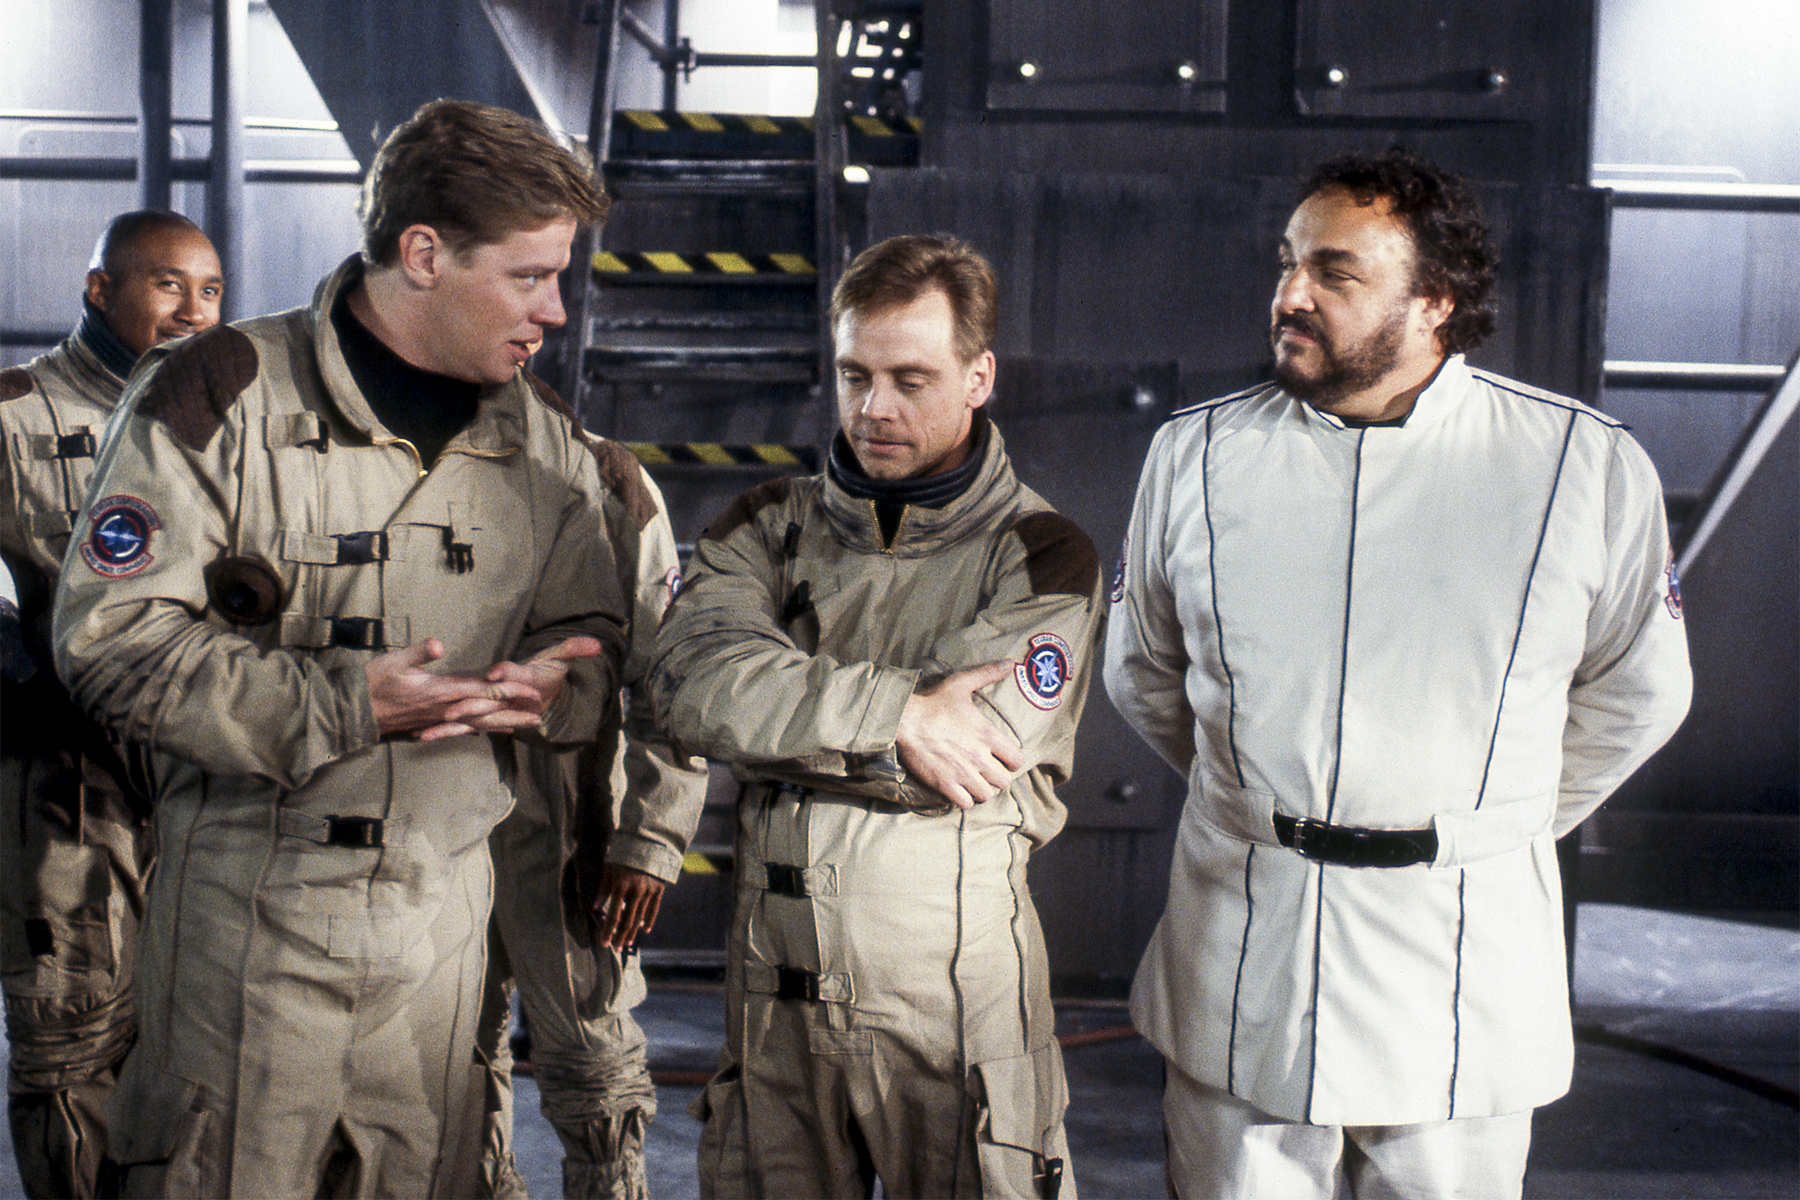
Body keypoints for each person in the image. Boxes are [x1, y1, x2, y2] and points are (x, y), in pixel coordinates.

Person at [52, 100, 634, 1197]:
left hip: (441, 944)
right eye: (529, 276)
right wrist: (345, 704)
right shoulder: (217, 394)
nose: (554, 311)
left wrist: (557, 686)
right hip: (246, 933)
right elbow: (111, 640)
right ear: (423, 254)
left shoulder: (546, 443)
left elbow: (595, 635)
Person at [1103, 148, 1694, 1198]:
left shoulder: (1581, 465)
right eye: (1288, 263)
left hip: (1461, 961)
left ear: (1435, 301)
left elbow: (1640, 692)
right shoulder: (1196, 455)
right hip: (1248, 943)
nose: (1291, 295)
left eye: (1334, 272)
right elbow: (1144, 670)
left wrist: (1486, 824)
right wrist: (1262, 800)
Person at [650, 234, 1104, 1199]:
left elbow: (975, 747)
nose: (874, 408)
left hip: (956, 1015)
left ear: (979, 377)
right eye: (855, 375)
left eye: (910, 379)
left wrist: (773, 726)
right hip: (774, 1019)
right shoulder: (763, 525)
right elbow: (686, 688)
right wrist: (900, 711)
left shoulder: (1041, 552)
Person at [0, 209, 221, 1199]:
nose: (194, 311)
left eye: (211, 291)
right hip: (63, 784)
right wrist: (24, 670)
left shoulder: (226, 428)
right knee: (70, 1041)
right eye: (169, 284)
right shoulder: (16, 415)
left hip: (201, 782)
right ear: (100, 289)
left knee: (195, 1044)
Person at [477, 456, 708, 1200]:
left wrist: (651, 838)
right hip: (432, 817)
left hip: (569, 827)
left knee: (593, 1066)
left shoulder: (607, 479)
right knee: (446, 1064)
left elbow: (668, 680)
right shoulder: (404, 457)